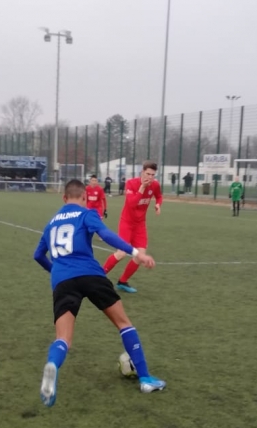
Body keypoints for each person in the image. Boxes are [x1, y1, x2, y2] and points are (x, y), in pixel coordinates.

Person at [33, 178, 166, 407]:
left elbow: (37, 255)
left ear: (64, 198)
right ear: (85, 197)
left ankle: (53, 364)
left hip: (63, 280)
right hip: (91, 275)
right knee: (124, 324)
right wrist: (137, 253)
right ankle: (145, 379)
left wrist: (55, 270)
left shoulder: (51, 223)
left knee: (63, 338)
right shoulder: (87, 214)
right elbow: (105, 234)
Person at [102, 161, 163, 293]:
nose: (150, 177)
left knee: (140, 256)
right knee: (121, 253)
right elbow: (131, 204)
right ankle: (99, 276)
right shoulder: (131, 183)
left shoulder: (155, 185)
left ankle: (122, 281)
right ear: (142, 172)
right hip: (127, 223)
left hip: (140, 224)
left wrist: (158, 204)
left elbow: (159, 196)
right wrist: (142, 188)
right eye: (148, 174)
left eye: (153, 175)